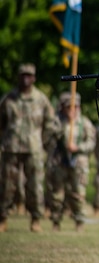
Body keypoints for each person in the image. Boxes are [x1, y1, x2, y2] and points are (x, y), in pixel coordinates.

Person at [0, 63, 59, 232]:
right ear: (18, 77)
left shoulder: (41, 99)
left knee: (35, 186)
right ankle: (3, 218)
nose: (26, 78)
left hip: (34, 149)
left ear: (34, 78)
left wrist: (42, 140)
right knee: (7, 185)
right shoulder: (8, 99)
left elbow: (50, 123)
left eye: (29, 75)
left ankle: (35, 219)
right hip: (11, 148)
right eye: (22, 75)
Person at [47, 92, 96, 231]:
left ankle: (79, 221)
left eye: (75, 107)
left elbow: (91, 143)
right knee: (57, 193)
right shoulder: (58, 122)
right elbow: (49, 138)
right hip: (60, 161)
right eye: (69, 107)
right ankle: (56, 221)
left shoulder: (84, 123)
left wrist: (78, 147)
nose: (72, 110)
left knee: (78, 193)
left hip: (78, 163)